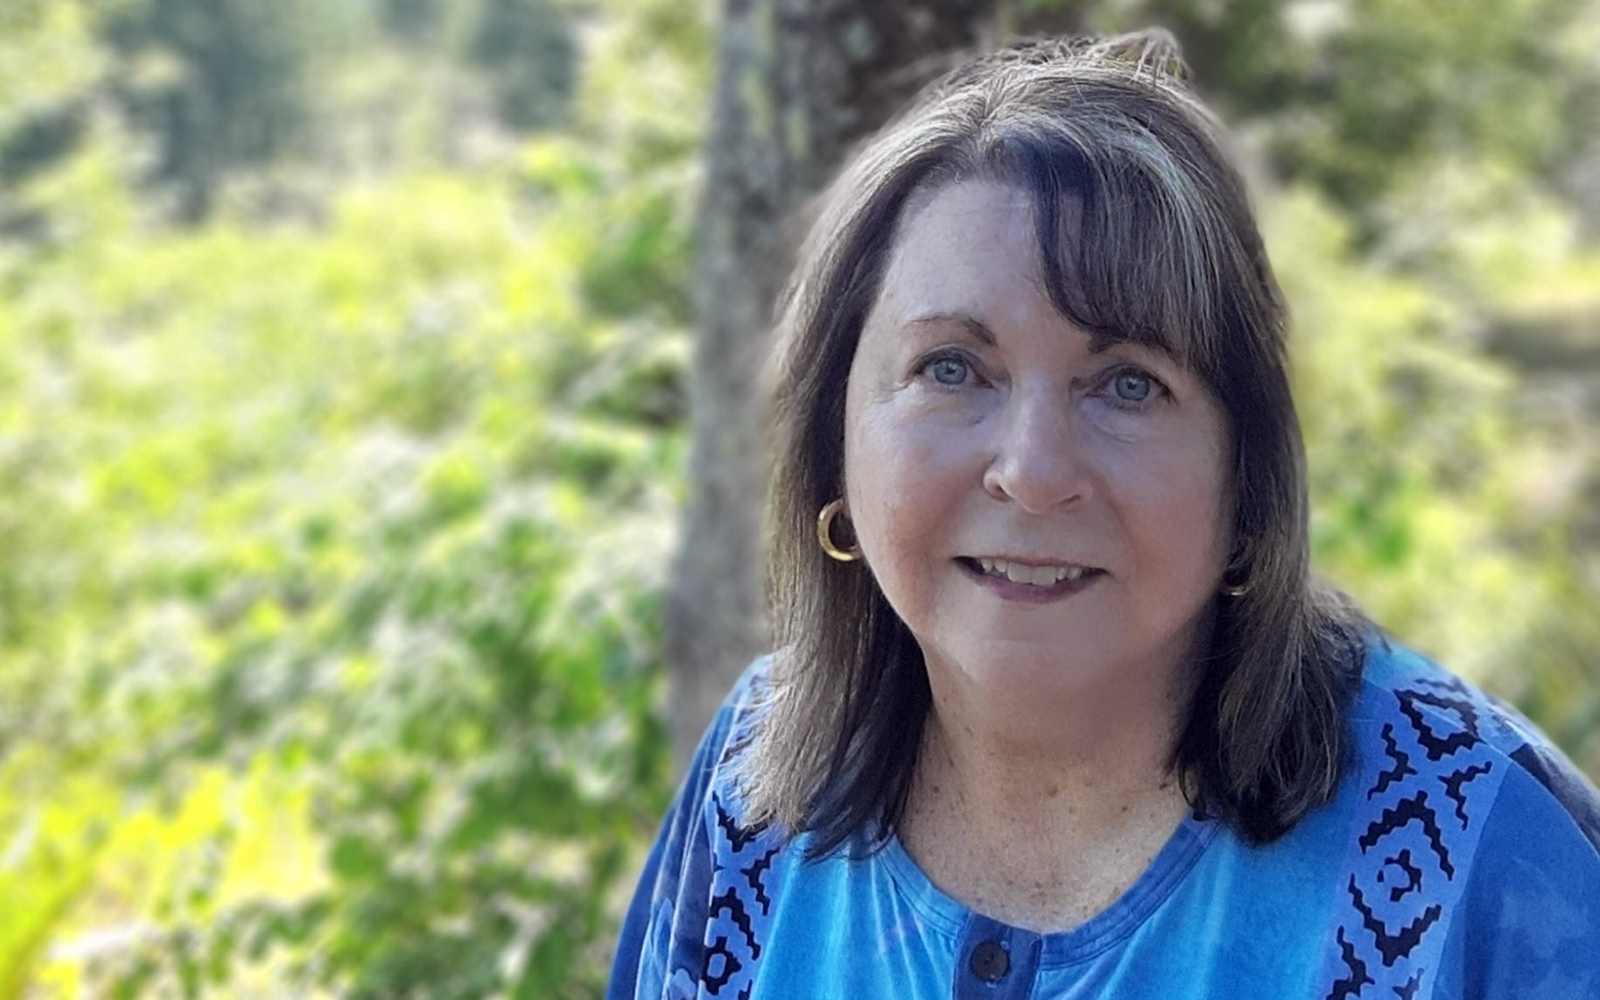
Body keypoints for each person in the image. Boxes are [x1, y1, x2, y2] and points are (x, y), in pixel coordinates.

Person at [608, 30, 1600, 1000]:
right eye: (950, 368)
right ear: (836, 439)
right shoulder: (755, 779)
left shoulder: (1480, 850)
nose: (1033, 473)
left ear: (1245, 467)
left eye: (1127, 383)